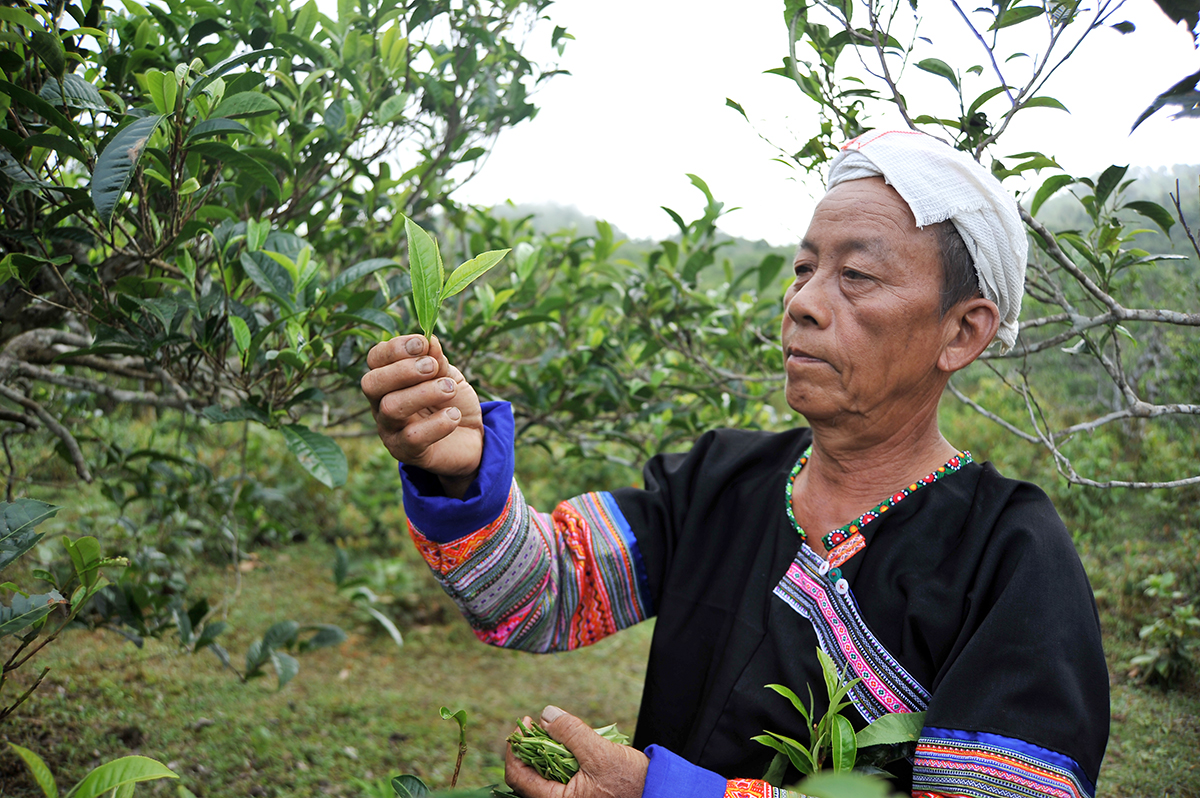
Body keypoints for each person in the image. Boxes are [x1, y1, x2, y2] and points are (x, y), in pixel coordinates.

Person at [360, 131, 1110, 798]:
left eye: (857, 277)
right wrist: (461, 476)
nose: (803, 304)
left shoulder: (1011, 556)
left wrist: (668, 793)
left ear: (962, 331)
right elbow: (544, 590)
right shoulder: (720, 479)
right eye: (804, 267)